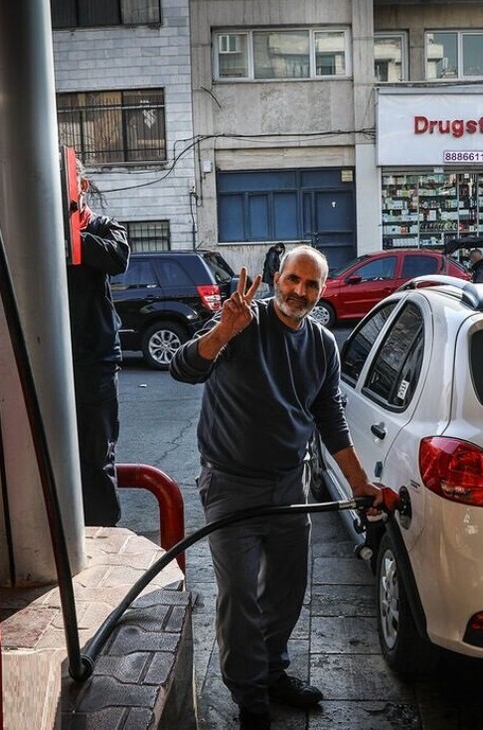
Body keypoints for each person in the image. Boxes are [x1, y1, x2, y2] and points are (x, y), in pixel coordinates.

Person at [170, 246, 384, 730]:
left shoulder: (323, 344)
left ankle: (272, 672)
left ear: (322, 291)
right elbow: (183, 369)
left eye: (311, 285)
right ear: (275, 279)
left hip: (290, 485)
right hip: (230, 484)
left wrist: (360, 483)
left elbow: (330, 416)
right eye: (292, 280)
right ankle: (250, 699)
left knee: (287, 592)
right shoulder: (245, 321)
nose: (299, 292)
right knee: (241, 596)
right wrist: (223, 330)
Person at [66, 178, 131, 525]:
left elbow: (118, 258)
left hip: (95, 362)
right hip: (52, 361)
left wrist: (72, 235)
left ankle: (104, 529)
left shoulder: (103, 227)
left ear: (82, 185)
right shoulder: (42, 230)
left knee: (97, 453)